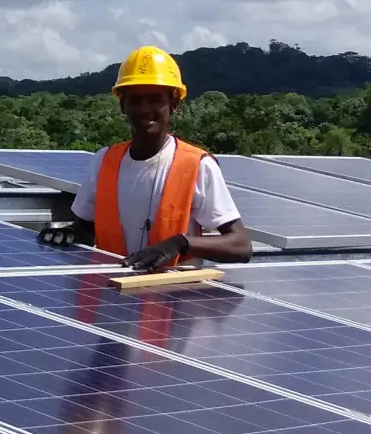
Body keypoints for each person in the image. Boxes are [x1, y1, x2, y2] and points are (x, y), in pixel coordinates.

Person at [39, 45, 252, 268]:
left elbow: (241, 246)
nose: (144, 109)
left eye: (155, 99)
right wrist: (68, 234)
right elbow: (85, 230)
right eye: (135, 100)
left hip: (176, 296)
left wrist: (180, 243)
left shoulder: (197, 166)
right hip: (114, 292)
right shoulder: (103, 162)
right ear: (123, 105)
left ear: (174, 103)